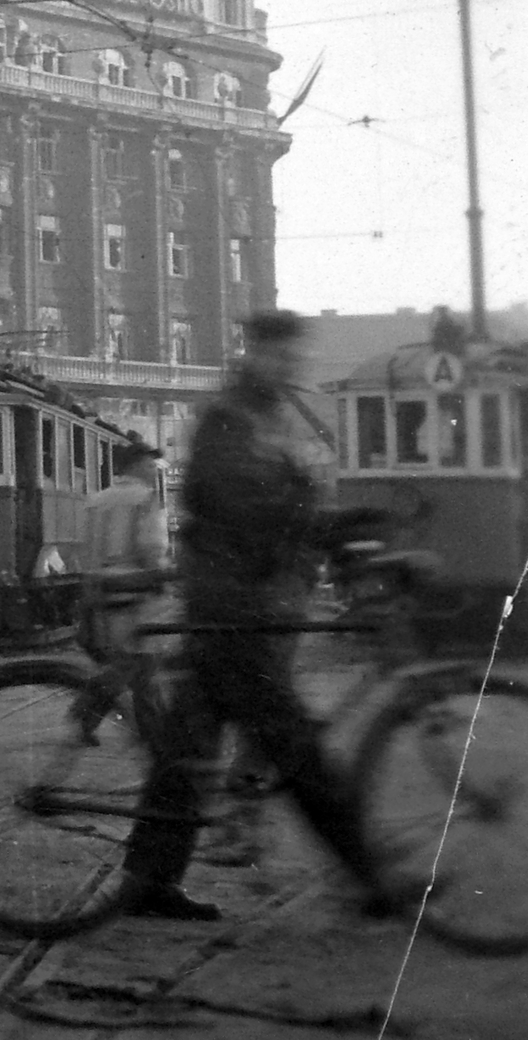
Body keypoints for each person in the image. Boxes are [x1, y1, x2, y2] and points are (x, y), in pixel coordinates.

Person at [117, 311, 392, 921]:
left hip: (241, 601)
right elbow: (249, 505)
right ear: (255, 353)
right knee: (293, 742)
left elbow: (290, 502)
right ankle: (371, 877)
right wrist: (329, 526)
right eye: (280, 354)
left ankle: (147, 880)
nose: (290, 366)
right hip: (229, 603)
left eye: (295, 357)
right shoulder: (230, 419)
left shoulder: (268, 418)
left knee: (188, 744)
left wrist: (343, 540)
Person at [71, 441, 171, 742]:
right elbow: (151, 550)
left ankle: (91, 718)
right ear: (136, 465)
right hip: (135, 594)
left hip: (101, 592)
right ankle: (151, 734)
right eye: (151, 466)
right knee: (141, 664)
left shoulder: (96, 500)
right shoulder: (145, 498)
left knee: (126, 664)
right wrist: (165, 576)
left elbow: (84, 549)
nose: (154, 472)